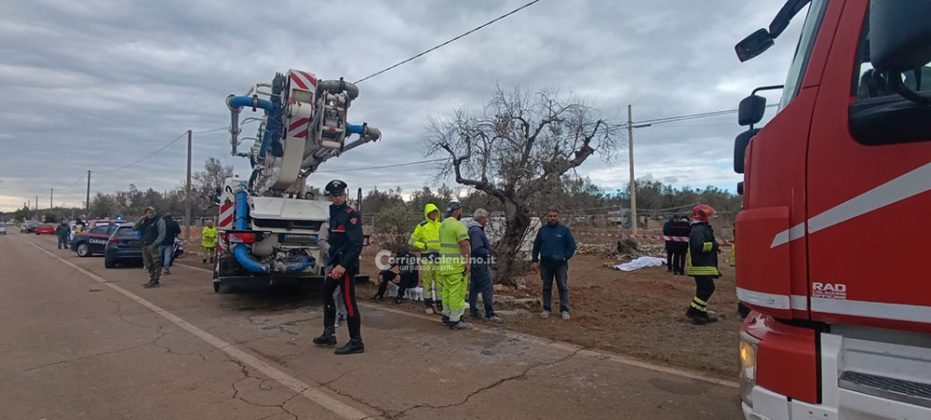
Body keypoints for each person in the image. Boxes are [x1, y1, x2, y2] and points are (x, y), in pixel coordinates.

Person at [313, 180, 365, 355]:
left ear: (345, 195)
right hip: (336, 263)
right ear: (330, 197)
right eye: (334, 196)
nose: (337, 198)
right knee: (326, 292)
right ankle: (329, 333)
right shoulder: (334, 214)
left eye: (340, 195)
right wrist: (334, 263)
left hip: (346, 266)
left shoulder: (351, 215)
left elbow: (356, 245)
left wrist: (342, 266)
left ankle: (356, 342)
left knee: (349, 301)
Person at [531, 208, 577, 320]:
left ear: (558, 217)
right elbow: (536, 246)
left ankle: (564, 310)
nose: (552, 218)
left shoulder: (564, 231)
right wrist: (534, 260)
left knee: (563, 287)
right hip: (546, 265)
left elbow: (572, 246)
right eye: (550, 216)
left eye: (554, 216)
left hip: (560, 265)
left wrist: (565, 257)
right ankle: (546, 308)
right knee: (546, 287)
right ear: (547, 217)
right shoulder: (542, 230)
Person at [685, 204, 721, 325]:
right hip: (700, 265)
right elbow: (698, 246)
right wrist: (713, 246)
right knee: (708, 289)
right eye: (709, 215)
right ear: (703, 216)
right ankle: (694, 311)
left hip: (704, 264)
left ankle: (701, 312)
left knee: (703, 289)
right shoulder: (698, 229)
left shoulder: (702, 228)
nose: (711, 218)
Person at [438, 202, 472, 330]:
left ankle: (446, 316)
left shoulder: (442, 225)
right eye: (460, 210)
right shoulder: (458, 225)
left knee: (446, 290)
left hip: (445, 264)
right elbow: (463, 244)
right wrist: (467, 262)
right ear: (457, 211)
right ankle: (455, 320)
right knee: (455, 292)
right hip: (456, 265)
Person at [467, 209, 502, 323]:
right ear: (481, 219)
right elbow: (477, 248)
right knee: (487, 287)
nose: (486, 221)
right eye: (486, 218)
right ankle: (489, 313)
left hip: (474, 263)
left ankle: (473, 310)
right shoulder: (477, 231)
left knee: (475, 287)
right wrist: (488, 251)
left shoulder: (472, 229)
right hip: (480, 263)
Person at [409, 203, 443, 315]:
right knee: (427, 282)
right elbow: (412, 241)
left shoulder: (441, 225)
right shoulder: (422, 226)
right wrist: (423, 246)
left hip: (439, 258)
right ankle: (428, 304)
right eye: (431, 213)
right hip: (427, 258)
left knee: (439, 283)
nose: (433, 214)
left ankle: (439, 305)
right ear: (427, 214)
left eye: (435, 212)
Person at [134, 207, 166, 289]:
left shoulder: (159, 221)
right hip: (145, 245)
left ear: (154, 212)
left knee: (156, 263)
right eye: (147, 213)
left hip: (154, 246)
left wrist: (155, 244)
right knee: (148, 264)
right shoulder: (145, 221)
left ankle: (155, 280)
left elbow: (162, 234)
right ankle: (152, 279)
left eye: (150, 212)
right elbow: (134, 228)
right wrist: (140, 220)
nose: (149, 214)